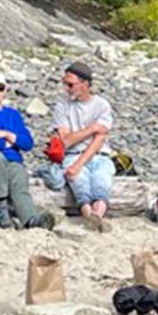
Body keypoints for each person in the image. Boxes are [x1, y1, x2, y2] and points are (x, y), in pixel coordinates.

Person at [0, 72, 53, 230]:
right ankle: (2, 207)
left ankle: (31, 219)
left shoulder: (13, 115)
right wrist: (9, 142)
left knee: (18, 175)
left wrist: (6, 134)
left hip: (10, 161)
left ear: (6, 90)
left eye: (1, 88)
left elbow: (28, 143)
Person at [47, 62, 116, 232]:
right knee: (80, 183)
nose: (66, 88)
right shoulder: (62, 106)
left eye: (70, 84)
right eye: (65, 84)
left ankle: (97, 216)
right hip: (72, 153)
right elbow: (66, 141)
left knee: (102, 181)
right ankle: (88, 215)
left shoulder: (102, 105)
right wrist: (92, 129)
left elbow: (99, 140)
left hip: (99, 154)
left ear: (85, 85)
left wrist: (79, 163)